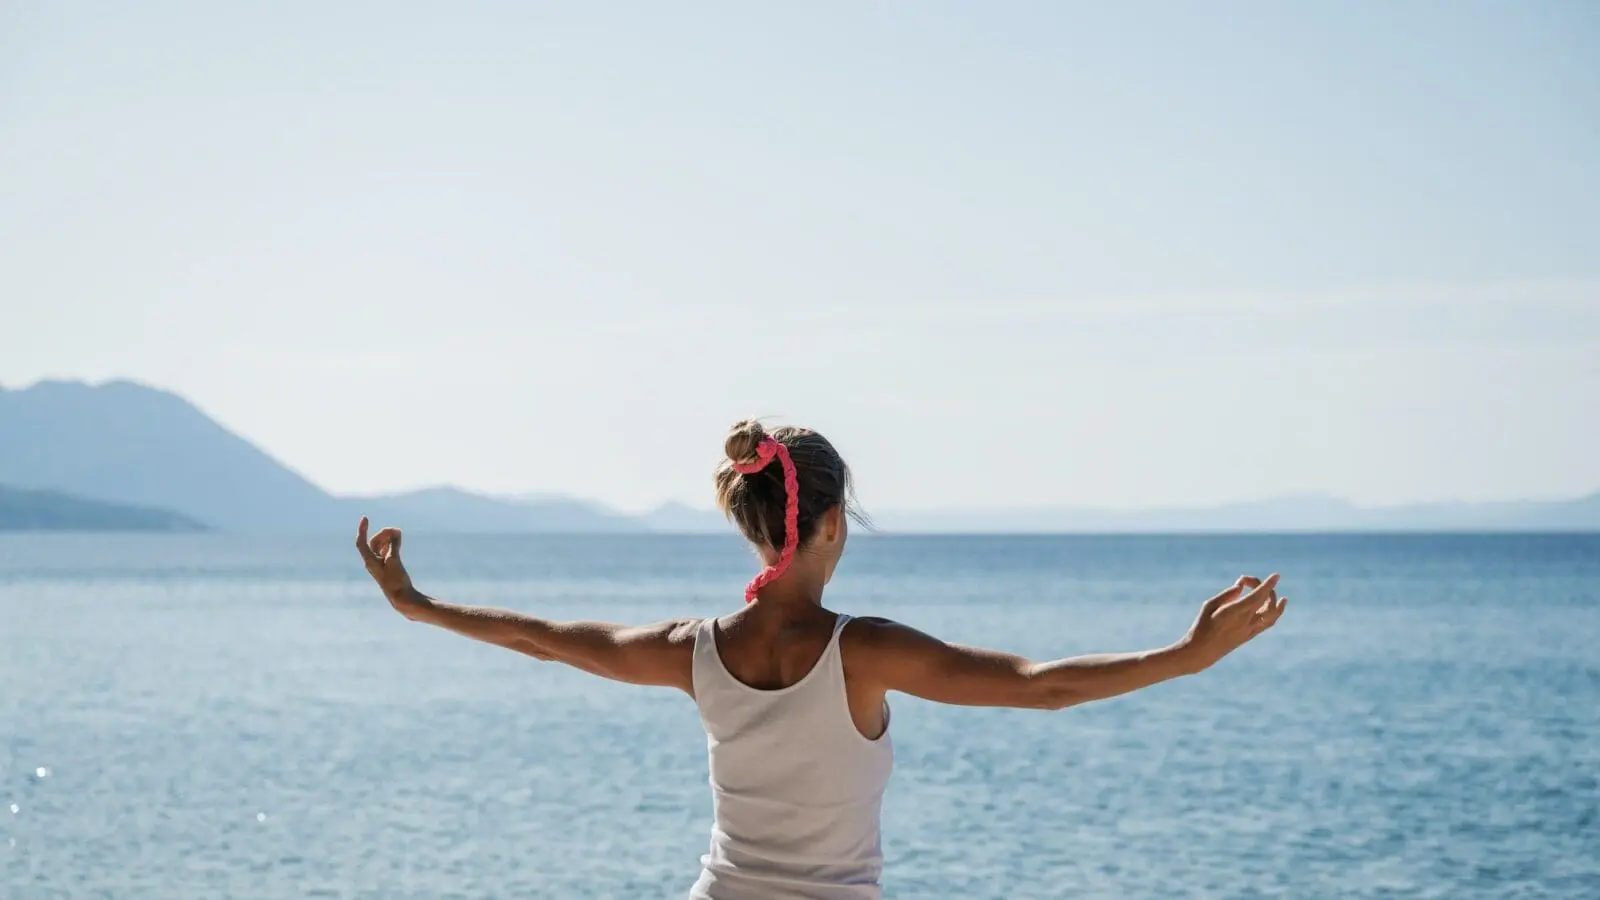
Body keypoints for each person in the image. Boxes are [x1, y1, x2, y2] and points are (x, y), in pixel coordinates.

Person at [354, 419, 1287, 899]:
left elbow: (545, 640)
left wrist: (416, 603)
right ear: (832, 524)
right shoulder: (863, 652)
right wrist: (1186, 656)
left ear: (754, 528)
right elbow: (1042, 689)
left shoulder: (695, 652)